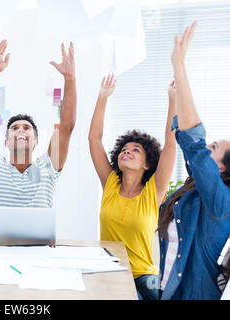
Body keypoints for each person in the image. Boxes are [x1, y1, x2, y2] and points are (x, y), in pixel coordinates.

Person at [158, 21, 230, 300]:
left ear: (222, 167)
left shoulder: (221, 201)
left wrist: (180, 65)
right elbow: (188, 142)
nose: (206, 147)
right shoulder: (197, 191)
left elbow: (195, 144)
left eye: (215, 147)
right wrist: (175, 98)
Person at [88, 74, 177, 300]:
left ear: (147, 164)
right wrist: (102, 98)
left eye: (135, 150)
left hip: (143, 276)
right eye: (124, 149)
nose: (126, 151)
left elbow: (170, 145)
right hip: (110, 271)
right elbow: (94, 140)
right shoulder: (110, 184)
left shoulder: (153, 191)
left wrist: (173, 99)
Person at [0, 40, 77, 207]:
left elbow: (67, 126)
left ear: (36, 141)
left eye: (26, 128)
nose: (21, 130)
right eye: (15, 128)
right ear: (6, 142)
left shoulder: (47, 168)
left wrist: (70, 78)